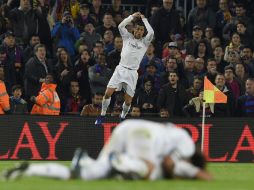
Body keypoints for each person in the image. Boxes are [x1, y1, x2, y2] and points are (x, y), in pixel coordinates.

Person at [3, 119, 212, 181]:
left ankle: (28, 170)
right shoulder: (186, 145)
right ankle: (120, 163)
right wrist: (187, 177)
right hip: (141, 132)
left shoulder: (176, 139)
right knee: (148, 170)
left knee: (87, 175)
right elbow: (169, 164)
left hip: (126, 128)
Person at [95, 12, 154, 125]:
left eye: (141, 30)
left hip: (132, 73)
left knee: (128, 101)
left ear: (143, 32)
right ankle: (102, 115)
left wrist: (144, 19)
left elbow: (151, 32)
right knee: (107, 94)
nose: (139, 31)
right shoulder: (127, 37)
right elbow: (120, 26)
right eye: (137, 29)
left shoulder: (145, 43)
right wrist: (131, 17)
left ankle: (122, 117)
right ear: (134, 30)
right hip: (121, 69)